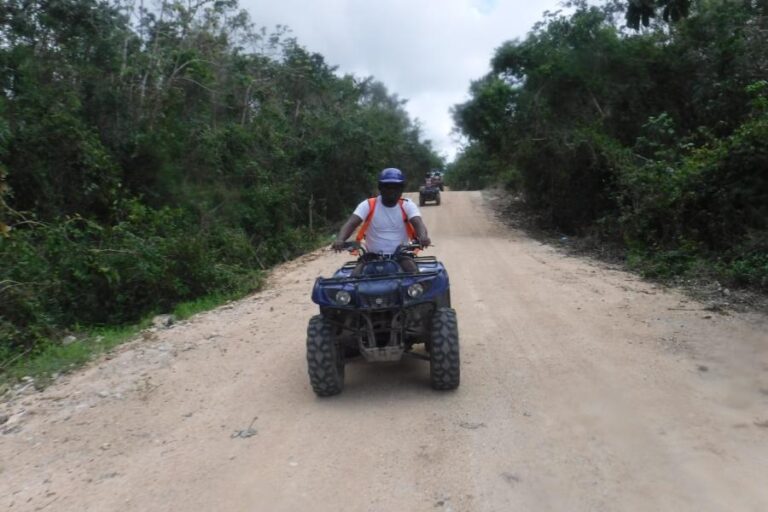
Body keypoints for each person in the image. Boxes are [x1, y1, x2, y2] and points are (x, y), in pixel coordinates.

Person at [332, 168, 431, 273]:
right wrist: (340, 239)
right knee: (354, 280)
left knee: (415, 277)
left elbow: (418, 223)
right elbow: (351, 223)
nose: (391, 190)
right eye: (387, 186)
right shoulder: (368, 204)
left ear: (401, 189)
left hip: (401, 255)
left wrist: (423, 237)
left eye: (396, 187)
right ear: (380, 188)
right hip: (371, 257)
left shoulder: (407, 205)